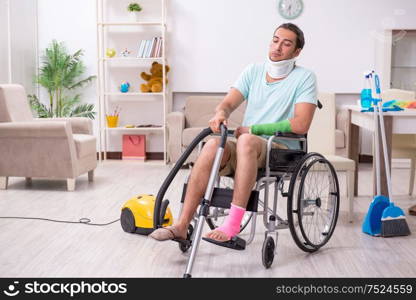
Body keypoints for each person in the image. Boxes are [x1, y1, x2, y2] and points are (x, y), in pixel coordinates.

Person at [150, 23, 317, 243]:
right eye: (275, 40)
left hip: (281, 147)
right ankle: (182, 225)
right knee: (211, 145)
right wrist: (221, 113)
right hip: (246, 146)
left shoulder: (305, 77)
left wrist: (254, 130)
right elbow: (228, 103)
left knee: (246, 139)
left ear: (296, 52)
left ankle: (232, 223)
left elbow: (301, 124)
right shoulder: (253, 71)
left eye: (286, 44)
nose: (278, 47)